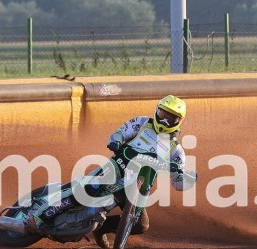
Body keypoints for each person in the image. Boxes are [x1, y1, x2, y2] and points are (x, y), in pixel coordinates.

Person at [26, 95, 196, 235]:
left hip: (139, 187)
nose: (164, 121)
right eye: (162, 114)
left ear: (179, 121)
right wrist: (116, 141)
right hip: (116, 168)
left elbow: (178, 182)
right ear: (157, 110)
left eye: (170, 118)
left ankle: (100, 229)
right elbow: (120, 132)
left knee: (140, 225)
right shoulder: (142, 122)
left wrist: (188, 179)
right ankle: (40, 216)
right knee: (88, 188)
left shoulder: (176, 150)